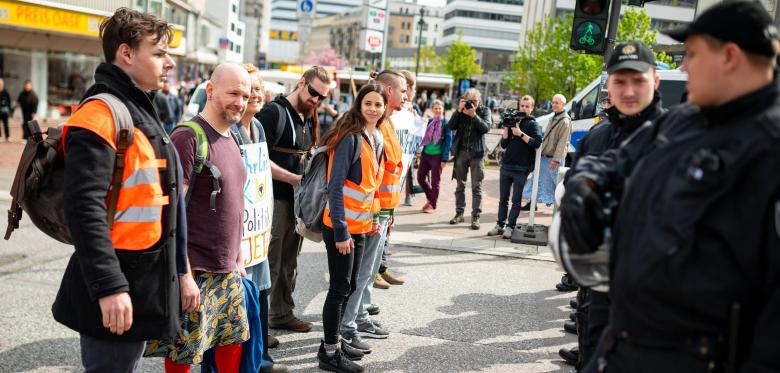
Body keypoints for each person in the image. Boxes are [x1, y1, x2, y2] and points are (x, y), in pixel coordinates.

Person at [563, 3, 780, 368]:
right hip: (625, 344)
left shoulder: (770, 147)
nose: (683, 66)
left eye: (692, 54)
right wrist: (586, 185)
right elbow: (616, 162)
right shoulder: (684, 121)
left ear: (729, 56)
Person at [53, 8, 185, 372]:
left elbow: (166, 203)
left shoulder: (138, 107)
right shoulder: (101, 114)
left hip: (140, 283)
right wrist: (110, 286)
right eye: (158, 53)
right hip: (116, 285)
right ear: (126, 54)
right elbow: (83, 210)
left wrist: (182, 272)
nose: (169, 63)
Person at [558, 40, 666, 370]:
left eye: (639, 80)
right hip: (597, 284)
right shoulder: (596, 137)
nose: (629, 91)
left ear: (656, 81)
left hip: (652, 290)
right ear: (609, 85)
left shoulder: (676, 137)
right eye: (620, 81)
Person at [143, 63, 251, 371]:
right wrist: (183, 274)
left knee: (233, 340)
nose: (240, 102)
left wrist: (238, 256)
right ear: (211, 90)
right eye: (233, 93)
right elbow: (170, 211)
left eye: (244, 95)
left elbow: (235, 203)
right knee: (185, 351)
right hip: (195, 270)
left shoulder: (234, 137)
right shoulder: (187, 137)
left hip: (227, 268)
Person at [317, 82, 387, 373]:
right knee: (339, 288)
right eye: (367, 103)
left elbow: (368, 187)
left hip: (359, 226)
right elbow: (335, 186)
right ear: (359, 104)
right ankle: (329, 352)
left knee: (352, 285)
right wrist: (343, 230)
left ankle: (334, 342)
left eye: (378, 104)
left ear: (385, 108)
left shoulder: (374, 136)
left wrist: (371, 220)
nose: (372, 108)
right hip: (340, 227)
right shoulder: (351, 138)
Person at [257, 66, 330, 333]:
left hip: (297, 200)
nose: (317, 100)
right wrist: (295, 179)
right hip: (274, 198)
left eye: (322, 97)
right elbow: (257, 158)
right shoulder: (273, 112)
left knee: (290, 261)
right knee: (272, 262)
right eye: (314, 93)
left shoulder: (309, 116)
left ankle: (282, 313)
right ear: (301, 83)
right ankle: (259, 326)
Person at [339, 70, 407, 355]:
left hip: (379, 212)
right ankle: (349, 325)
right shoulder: (369, 130)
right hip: (366, 215)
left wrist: (388, 213)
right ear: (389, 92)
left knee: (365, 273)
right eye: (403, 90)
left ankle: (357, 319)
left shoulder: (385, 126)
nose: (407, 96)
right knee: (360, 273)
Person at [231, 63, 288, 373]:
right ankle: (247, 362)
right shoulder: (230, 129)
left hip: (257, 226)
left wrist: (293, 178)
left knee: (260, 292)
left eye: (257, 87)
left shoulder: (259, 128)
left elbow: (263, 167)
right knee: (242, 297)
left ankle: (261, 359)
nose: (255, 93)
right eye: (248, 88)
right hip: (239, 229)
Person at [487, 95, 542, 239]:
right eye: (522, 106)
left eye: (527, 106)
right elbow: (504, 145)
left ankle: (510, 227)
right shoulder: (512, 121)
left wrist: (520, 134)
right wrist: (507, 129)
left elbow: (537, 143)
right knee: (502, 199)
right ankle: (500, 225)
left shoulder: (533, 124)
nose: (524, 108)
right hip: (506, 166)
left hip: (521, 168)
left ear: (532, 108)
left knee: (516, 201)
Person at [448, 88, 492, 229]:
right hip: (461, 152)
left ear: (480, 101)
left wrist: (474, 115)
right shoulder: (461, 111)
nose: (471, 104)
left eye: (474, 101)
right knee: (460, 185)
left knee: (476, 187)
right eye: (469, 101)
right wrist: (458, 111)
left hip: (477, 154)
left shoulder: (484, 111)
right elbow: (450, 126)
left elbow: (486, 128)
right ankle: (459, 213)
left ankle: (475, 217)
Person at [521, 94, 572, 211]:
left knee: (556, 184)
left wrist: (556, 160)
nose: (554, 105)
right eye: (553, 102)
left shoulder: (565, 121)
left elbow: (563, 143)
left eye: (557, 103)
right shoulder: (553, 117)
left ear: (563, 105)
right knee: (536, 180)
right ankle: (532, 203)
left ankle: (561, 208)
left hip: (552, 159)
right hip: (544, 157)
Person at [416, 99, 452, 213]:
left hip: (437, 156)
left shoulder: (446, 123)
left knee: (435, 182)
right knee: (420, 177)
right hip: (426, 154)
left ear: (443, 109)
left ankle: (433, 204)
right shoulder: (429, 121)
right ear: (432, 110)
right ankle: (431, 198)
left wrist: (445, 159)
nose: (437, 110)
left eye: (439, 108)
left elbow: (448, 142)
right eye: (435, 108)